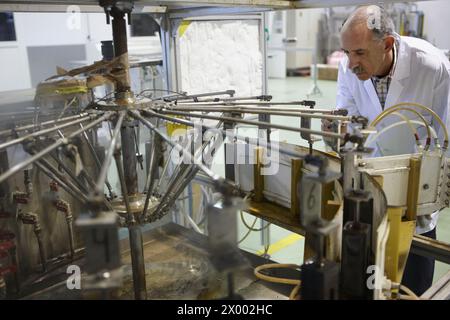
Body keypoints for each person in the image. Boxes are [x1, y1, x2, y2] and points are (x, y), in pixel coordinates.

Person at [323, 5, 450, 296]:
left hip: (415, 195)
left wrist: (438, 189)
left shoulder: (431, 66)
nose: (351, 62)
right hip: (368, 190)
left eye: (360, 53)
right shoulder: (349, 67)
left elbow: (445, 133)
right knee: (367, 282)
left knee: (412, 287)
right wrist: (336, 130)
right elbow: (348, 118)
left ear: (388, 44)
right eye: (346, 52)